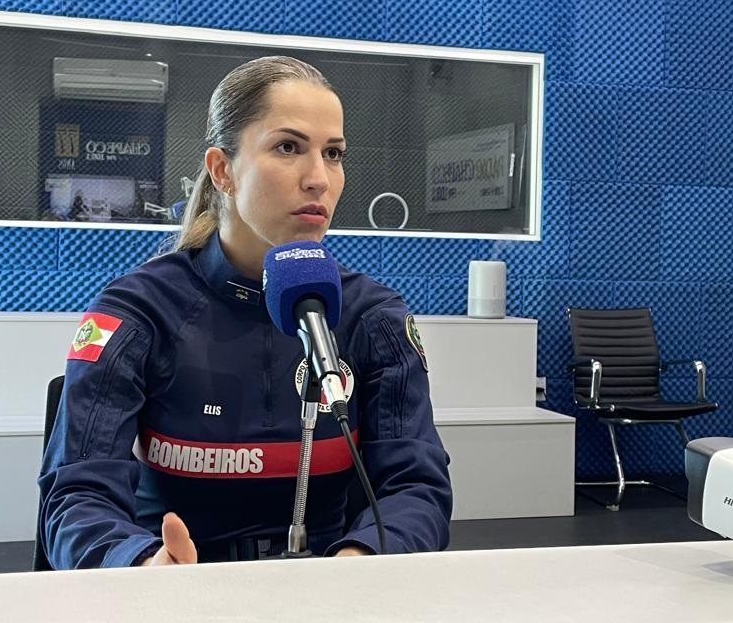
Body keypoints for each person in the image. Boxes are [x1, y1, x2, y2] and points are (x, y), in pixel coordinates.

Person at [38, 56, 452, 567]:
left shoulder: (372, 316)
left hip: (335, 587)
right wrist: (139, 564)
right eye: (288, 147)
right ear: (222, 170)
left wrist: (356, 562)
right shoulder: (140, 312)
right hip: (175, 589)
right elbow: (76, 496)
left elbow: (417, 486)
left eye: (333, 153)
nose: (319, 179)